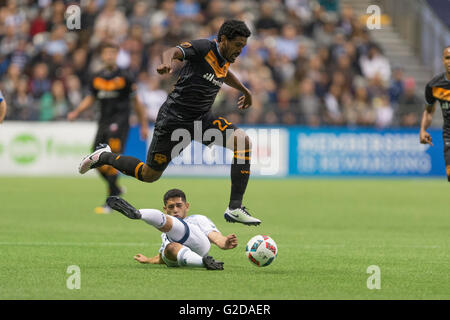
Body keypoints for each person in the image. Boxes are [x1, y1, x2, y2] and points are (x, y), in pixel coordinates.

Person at [78, 20, 261, 225]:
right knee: (149, 175)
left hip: (201, 120)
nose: (240, 51)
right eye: (238, 45)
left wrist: (245, 90)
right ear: (224, 40)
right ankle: (104, 156)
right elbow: (173, 51)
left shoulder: (225, 57)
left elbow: (224, 73)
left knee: (242, 142)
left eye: (243, 47)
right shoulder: (203, 48)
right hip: (174, 121)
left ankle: (234, 208)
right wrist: (167, 62)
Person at [67, 42, 148, 214]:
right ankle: (116, 188)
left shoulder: (126, 76)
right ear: (102, 56)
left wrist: (143, 124)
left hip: (120, 122)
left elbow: (136, 102)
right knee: (94, 158)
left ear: (117, 55)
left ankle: (110, 202)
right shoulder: (97, 77)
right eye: (106, 53)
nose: (109, 56)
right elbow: (91, 99)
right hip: (103, 122)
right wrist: (77, 112)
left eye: (113, 53)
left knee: (111, 157)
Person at [107, 189, 238, 270]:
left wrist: (223, 242)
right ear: (165, 209)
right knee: (169, 248)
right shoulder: (165, 235)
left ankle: (138, 214)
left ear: (187, 206)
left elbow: (214, 236)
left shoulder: (198, 219)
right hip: (174, 259)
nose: (175, 210)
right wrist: (148, 260)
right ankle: (206, 263)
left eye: (179, 205)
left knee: (176, 228)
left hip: (199, 247)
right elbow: (162, 258)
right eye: (171, 207)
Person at [420, 46, 450, 178]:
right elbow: (429, 112)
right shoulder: (434, 86)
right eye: (447, 58)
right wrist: (422, 129)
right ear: (443, 60)